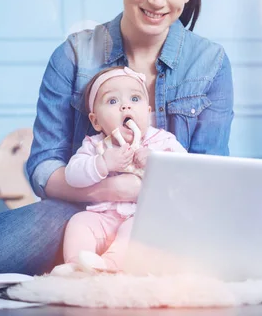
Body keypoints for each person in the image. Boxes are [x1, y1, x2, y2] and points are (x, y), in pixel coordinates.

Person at [0, 0, 234, 275]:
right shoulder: (73, 55)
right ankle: (93, 259)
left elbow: (208, 174)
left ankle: (108, 263)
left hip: (172, 214)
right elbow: (44, 167)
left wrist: (151, 200)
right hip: (84, 210)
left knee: (214, 253)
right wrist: (112, 189)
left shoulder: (211, 63)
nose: (158, 0)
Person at [54, 66, 186, 274]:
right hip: (103, 217)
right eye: (112, 101)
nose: (126, 107)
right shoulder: (95, 145)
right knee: (79, 222)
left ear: (148, 113)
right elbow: (72, 175)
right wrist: (102, 164)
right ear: (95, 121)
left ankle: (110, 266)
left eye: (135, 99)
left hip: (141, 217)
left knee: (134, 231)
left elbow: (185, 171)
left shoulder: (162, 141)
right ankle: (76, 266)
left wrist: (156, 161)